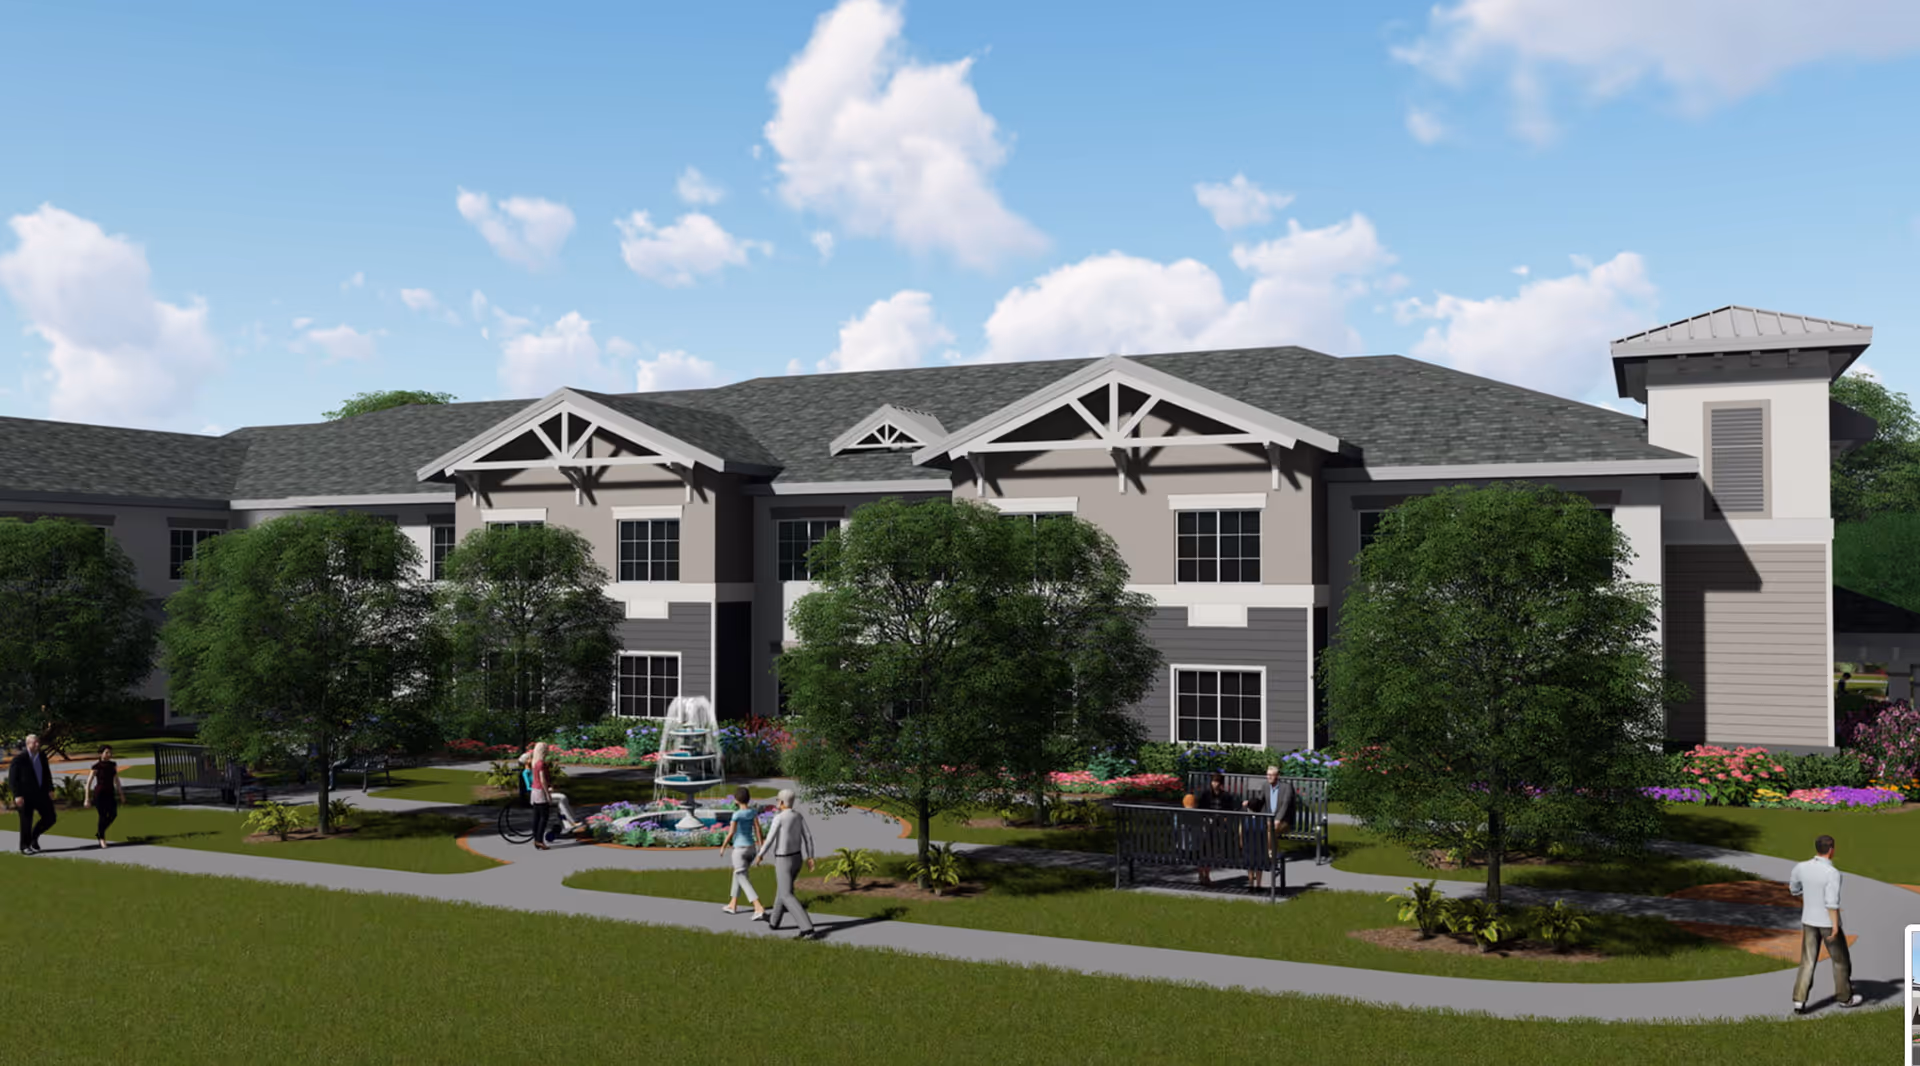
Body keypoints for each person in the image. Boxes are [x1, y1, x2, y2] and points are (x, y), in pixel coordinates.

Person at [1788, 834, 1864, 1013]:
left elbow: (1794, 889)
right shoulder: (1832, 873)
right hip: (1828, 923)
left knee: (1807, 961)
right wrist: (1835, 925)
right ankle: (1844, 997)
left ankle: (1799, 1000)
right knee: (1840, 960)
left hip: (1809, 921)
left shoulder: (1801, 867)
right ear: (1831, 850)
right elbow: (1832, 903)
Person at [754, 788, 817, 939]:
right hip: (797, 858)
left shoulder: (779, 818)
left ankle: (807, 929)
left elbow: (770, 839)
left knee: (786, 894)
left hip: (784, 859)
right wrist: (810, 857)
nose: (777, 802)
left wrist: (760, 854)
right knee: (782, 890)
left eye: (777, 800)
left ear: (781, 802)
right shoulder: (798, 816)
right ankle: (774, 921)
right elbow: (808, 837)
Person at [1243, 765, 1297, 890]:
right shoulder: (1265, 786)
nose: (1269, 777)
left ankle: (1268, 853)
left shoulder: (1286, 787)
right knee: (1263, 829)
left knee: (1270, 829)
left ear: (1277, 776)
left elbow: (1285, 804)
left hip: (1284, 820)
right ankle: (1267, 852)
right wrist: (1249, 803)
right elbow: (1259, 801)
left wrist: (1278, 819)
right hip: (1269, 820)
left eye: (1271, 775)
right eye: (1268, 775)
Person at [518, 743, 582, 843]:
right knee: (561, 799)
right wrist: (547, 791)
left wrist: (548, 787)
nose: (531, 758)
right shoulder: (530, 770)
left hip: (540, 791)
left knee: (560, 803)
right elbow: (533, 784)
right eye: (529, 758)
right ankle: (570, 822)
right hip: (538, 794)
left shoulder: (535, 766)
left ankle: (567, 823)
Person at [717, 785, 765, 919]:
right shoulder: (753, 812)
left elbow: (731, 832)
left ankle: (758, 907)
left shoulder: (736, 814)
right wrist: (761, 847)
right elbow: (758, 830)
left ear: (736, 800)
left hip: (739, 850)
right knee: (737, 874)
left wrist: (723, 846)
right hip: (751, 849)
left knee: (742, 877)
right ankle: (732, 905)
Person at [8, 733, 57, 855]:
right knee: (26, 821)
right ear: (28, 744)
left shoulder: (42, 756)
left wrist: (50, 789)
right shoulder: (19, 759)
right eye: (35, 742)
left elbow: (47, 774)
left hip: (41, 794)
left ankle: (34, 836)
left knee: (50, 818)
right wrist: (17, 795)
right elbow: (13, 779)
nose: (37, 744)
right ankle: (25, 846)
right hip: (25, 796)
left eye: (38, 742)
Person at [1194, 772, 1235, 886]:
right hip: (1206, 824)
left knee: (1210, 851)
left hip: (1218, 826)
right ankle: (1201, 874)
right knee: (1202, 850)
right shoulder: (1205, 794)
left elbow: (1229, 812)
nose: (1215, 784)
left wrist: (1223, 821)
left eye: (1217, 782)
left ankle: (1206, 875)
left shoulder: (1226, 796)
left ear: (1221, 784)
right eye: (1213, 781)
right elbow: (1200, 810)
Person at [84, 745, 125, 848]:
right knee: (102, 816)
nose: (109, 754)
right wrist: (87, 799)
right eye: (106, 752)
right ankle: (102, 838)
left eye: (110, 752)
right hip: (100, 794)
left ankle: (100, 832)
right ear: (101, 754)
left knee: (113, 814)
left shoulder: (112, 765)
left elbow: (117, 780)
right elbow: (88, 783)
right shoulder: (96, 767)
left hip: (110, 793)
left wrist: (121, 794)